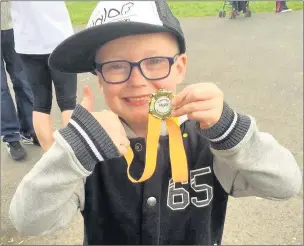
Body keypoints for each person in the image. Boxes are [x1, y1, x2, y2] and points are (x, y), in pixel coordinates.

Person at [9, 1, 302, 245]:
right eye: (116, 66)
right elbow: (28, 220)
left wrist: (232, 132)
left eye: (154, 62)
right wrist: (71, 152)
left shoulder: (210, 140)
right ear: (99, 78)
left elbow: (285, 184)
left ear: (180, 67)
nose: (137, 80)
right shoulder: (88, 150)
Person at [10, 1, 78, 152]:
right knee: (68, 102)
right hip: (59, 38)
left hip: (27, 42)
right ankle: (74, 156)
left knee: (41, 103)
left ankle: (49, 156)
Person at [1, 2, 38, 160]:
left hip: (13, 25)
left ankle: (30, 130)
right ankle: (11, 137)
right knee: (1, 88)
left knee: (22, 80)